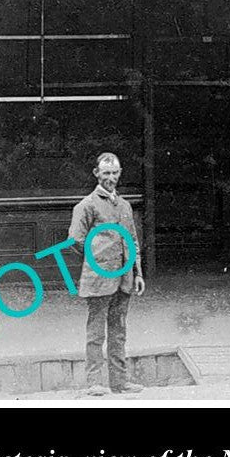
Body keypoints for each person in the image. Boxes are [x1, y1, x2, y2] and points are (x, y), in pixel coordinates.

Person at [68, 152, 146, 397]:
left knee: (119, 331)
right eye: (106, 173)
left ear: (119, 173)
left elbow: (133, 241)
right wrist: (97, 260)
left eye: (115, 173)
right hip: (99, 280)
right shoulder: (87, 205)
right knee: (95, 333)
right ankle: (94, 382)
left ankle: (119, 382)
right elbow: (75, 239)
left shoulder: (124, 206)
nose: (111, 178)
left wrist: (138, 273)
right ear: (96, 174)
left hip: (124, 279)